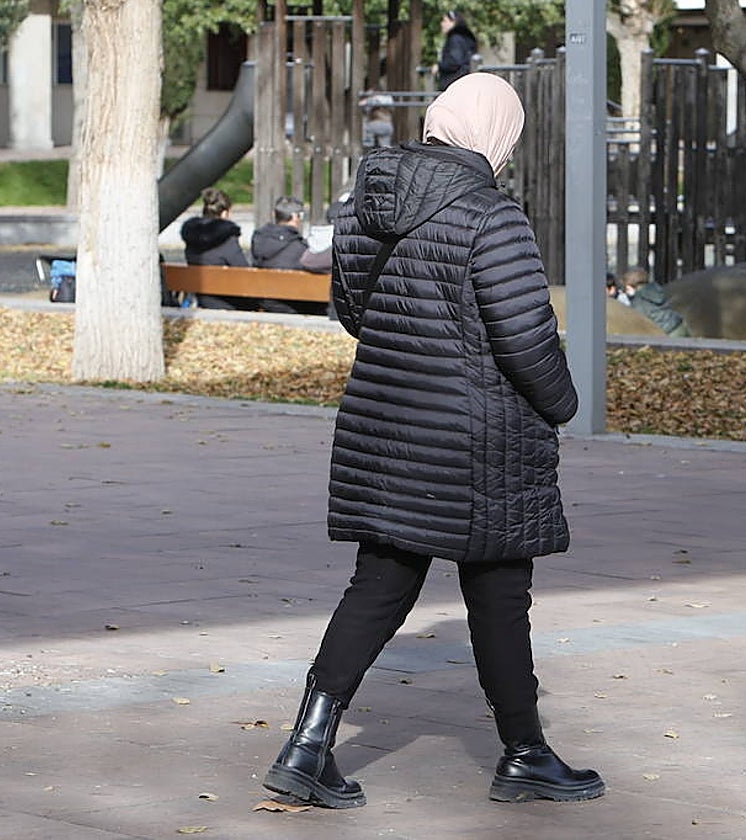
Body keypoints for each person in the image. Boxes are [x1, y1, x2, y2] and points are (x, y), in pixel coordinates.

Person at [261, 73, 605, 809]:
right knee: (499, 591)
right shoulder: (492, 217)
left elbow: (357, 313)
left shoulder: (362, 209)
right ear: (494, 135)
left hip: (386, 426)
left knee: (381, 581)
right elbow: (525, 339)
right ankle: (524, 754)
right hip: (480, 440)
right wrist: (564, 403)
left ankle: (306, 745)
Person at [179, 187, 255, 311]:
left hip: (202, 297)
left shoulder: (192, 236)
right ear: (224, 213)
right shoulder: (228, 239)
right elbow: (243, 272)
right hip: (228, 300)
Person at [435, 10, 478, 91]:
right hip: (463, 83)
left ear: (453, 22)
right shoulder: (466, 38)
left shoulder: (455, 39)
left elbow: (454, 62)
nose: (442, 24)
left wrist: (439, 66)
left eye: (445, 21)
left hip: (453, 83)